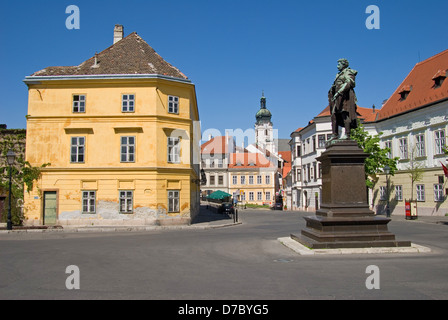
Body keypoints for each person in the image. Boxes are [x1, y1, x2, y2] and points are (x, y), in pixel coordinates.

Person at [328, 59, 358, 140]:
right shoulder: (339, 74)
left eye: (339, 64)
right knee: (334, 115)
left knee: (344, 114)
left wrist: (339, 92)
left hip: (344, 97)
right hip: (336, 98)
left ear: (344, 64)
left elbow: (349, 83)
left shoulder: (348, 72)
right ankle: (335, 135)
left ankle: (347, 134)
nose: (337, 66)